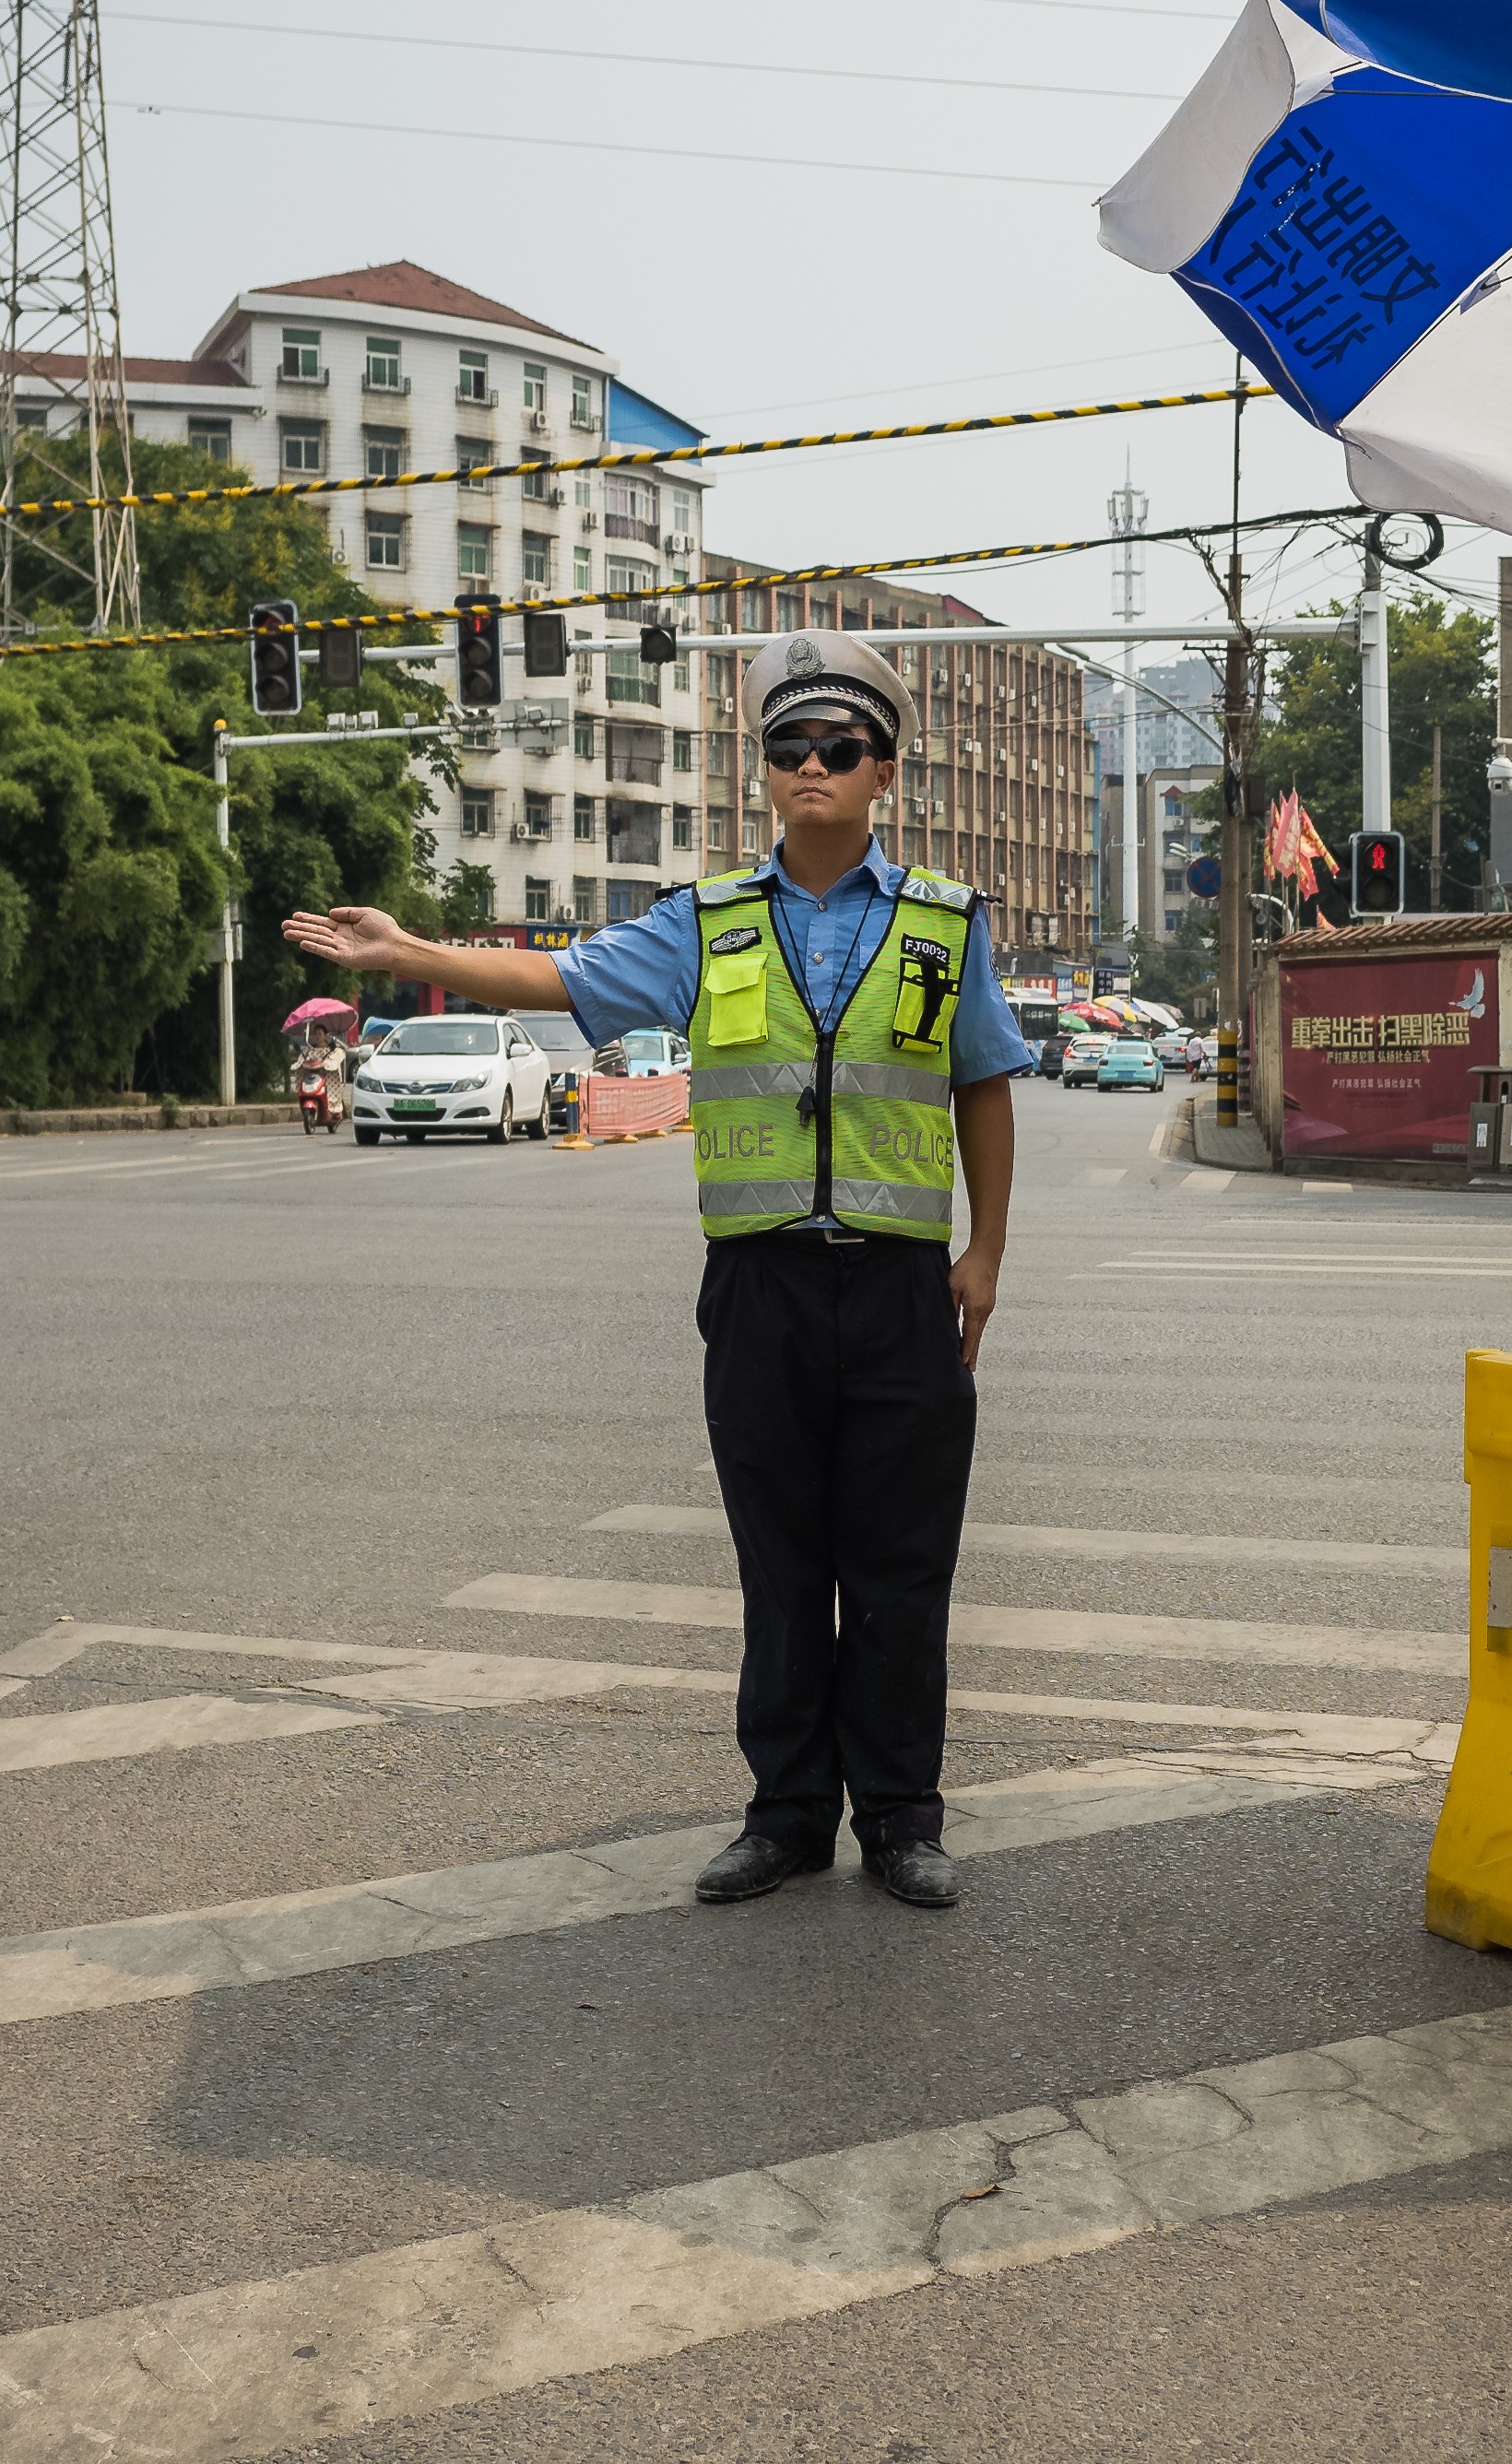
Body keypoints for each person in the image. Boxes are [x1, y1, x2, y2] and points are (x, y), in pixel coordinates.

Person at [284, 620, 1025, 1909]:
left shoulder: (947, 928)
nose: (813, 766)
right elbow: (556, 978)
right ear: (761, 768)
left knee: (901, 1569)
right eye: (789, 746)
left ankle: (904, 1817)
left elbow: (984, 1089)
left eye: (840, 747)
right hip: (759, 1293)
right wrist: (408, 954)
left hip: (905, 1292)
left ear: (884, 772)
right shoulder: (708, 927)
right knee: (781, 1564)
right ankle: (787, 1813)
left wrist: (986, 1255)